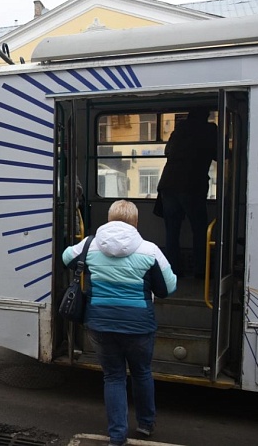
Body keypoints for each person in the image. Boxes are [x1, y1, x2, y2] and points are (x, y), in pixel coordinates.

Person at [62, 200, 177, 446]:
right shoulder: (150, 250)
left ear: (109, 218)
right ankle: (145, 424)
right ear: (136, 222)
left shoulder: (90, 244)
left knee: (113, 377)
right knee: (141, 372)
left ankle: (117, 436)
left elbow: (66, 258)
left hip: (100, 324)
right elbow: (168, 288)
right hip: (139, 326)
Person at [156, 108, 218, 278]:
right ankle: (200, 272)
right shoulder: (210, 130)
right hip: (192, 185)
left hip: (168, 184)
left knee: (172, 231)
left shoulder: (179, 130)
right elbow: (221, 155)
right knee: (200, 230)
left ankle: (172, 270)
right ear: (205, 116)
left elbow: (167, 152)